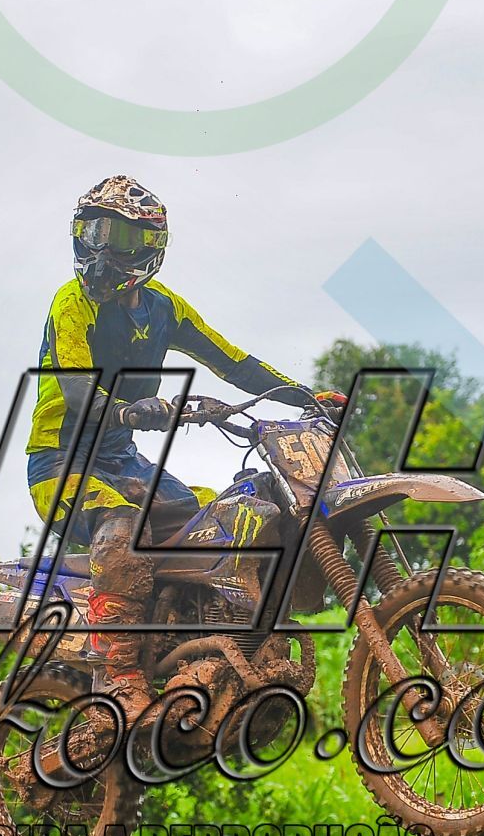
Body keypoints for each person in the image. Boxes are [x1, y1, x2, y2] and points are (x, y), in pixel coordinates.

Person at [24, 174, 325, 720]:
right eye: (94, 231)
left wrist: (306, 396)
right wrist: (127, 411)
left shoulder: (166, 308)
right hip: (59, 463)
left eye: (120, 236)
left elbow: (233, 362)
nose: (102, 248)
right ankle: (118, 675)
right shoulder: (71, 303)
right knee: (120, 529)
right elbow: (76, 388)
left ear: (151, 246)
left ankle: (201, 638)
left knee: (212, 520)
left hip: (124, 461)